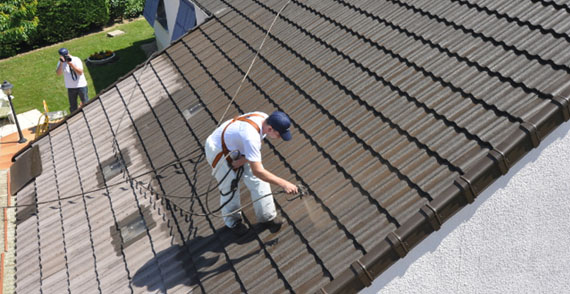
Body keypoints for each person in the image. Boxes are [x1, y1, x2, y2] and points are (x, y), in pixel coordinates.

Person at [205, 111, 299, 235]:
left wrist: (243, 160)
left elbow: (256, 149)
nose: (280, 138)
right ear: (270, 129)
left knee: (260, 181)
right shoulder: (251, 136)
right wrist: (284, 184)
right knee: (230, 186)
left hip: (237, 146)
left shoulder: (264, 119)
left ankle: (267, 217)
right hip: (218, 149)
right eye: (279, 135)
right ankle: (233, 223)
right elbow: (258, 171)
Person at [56, 48, 89, 113]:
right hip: (70, 87)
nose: (66, 56)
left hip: (81, 86)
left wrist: (71, 65)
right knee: (73, 107)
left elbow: (80, 72)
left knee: (86, 103)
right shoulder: (60, 62)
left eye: (66, 54)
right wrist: (61, 63)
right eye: (63, 55)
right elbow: (58, 73)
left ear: (68, 52)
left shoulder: (76, 59)